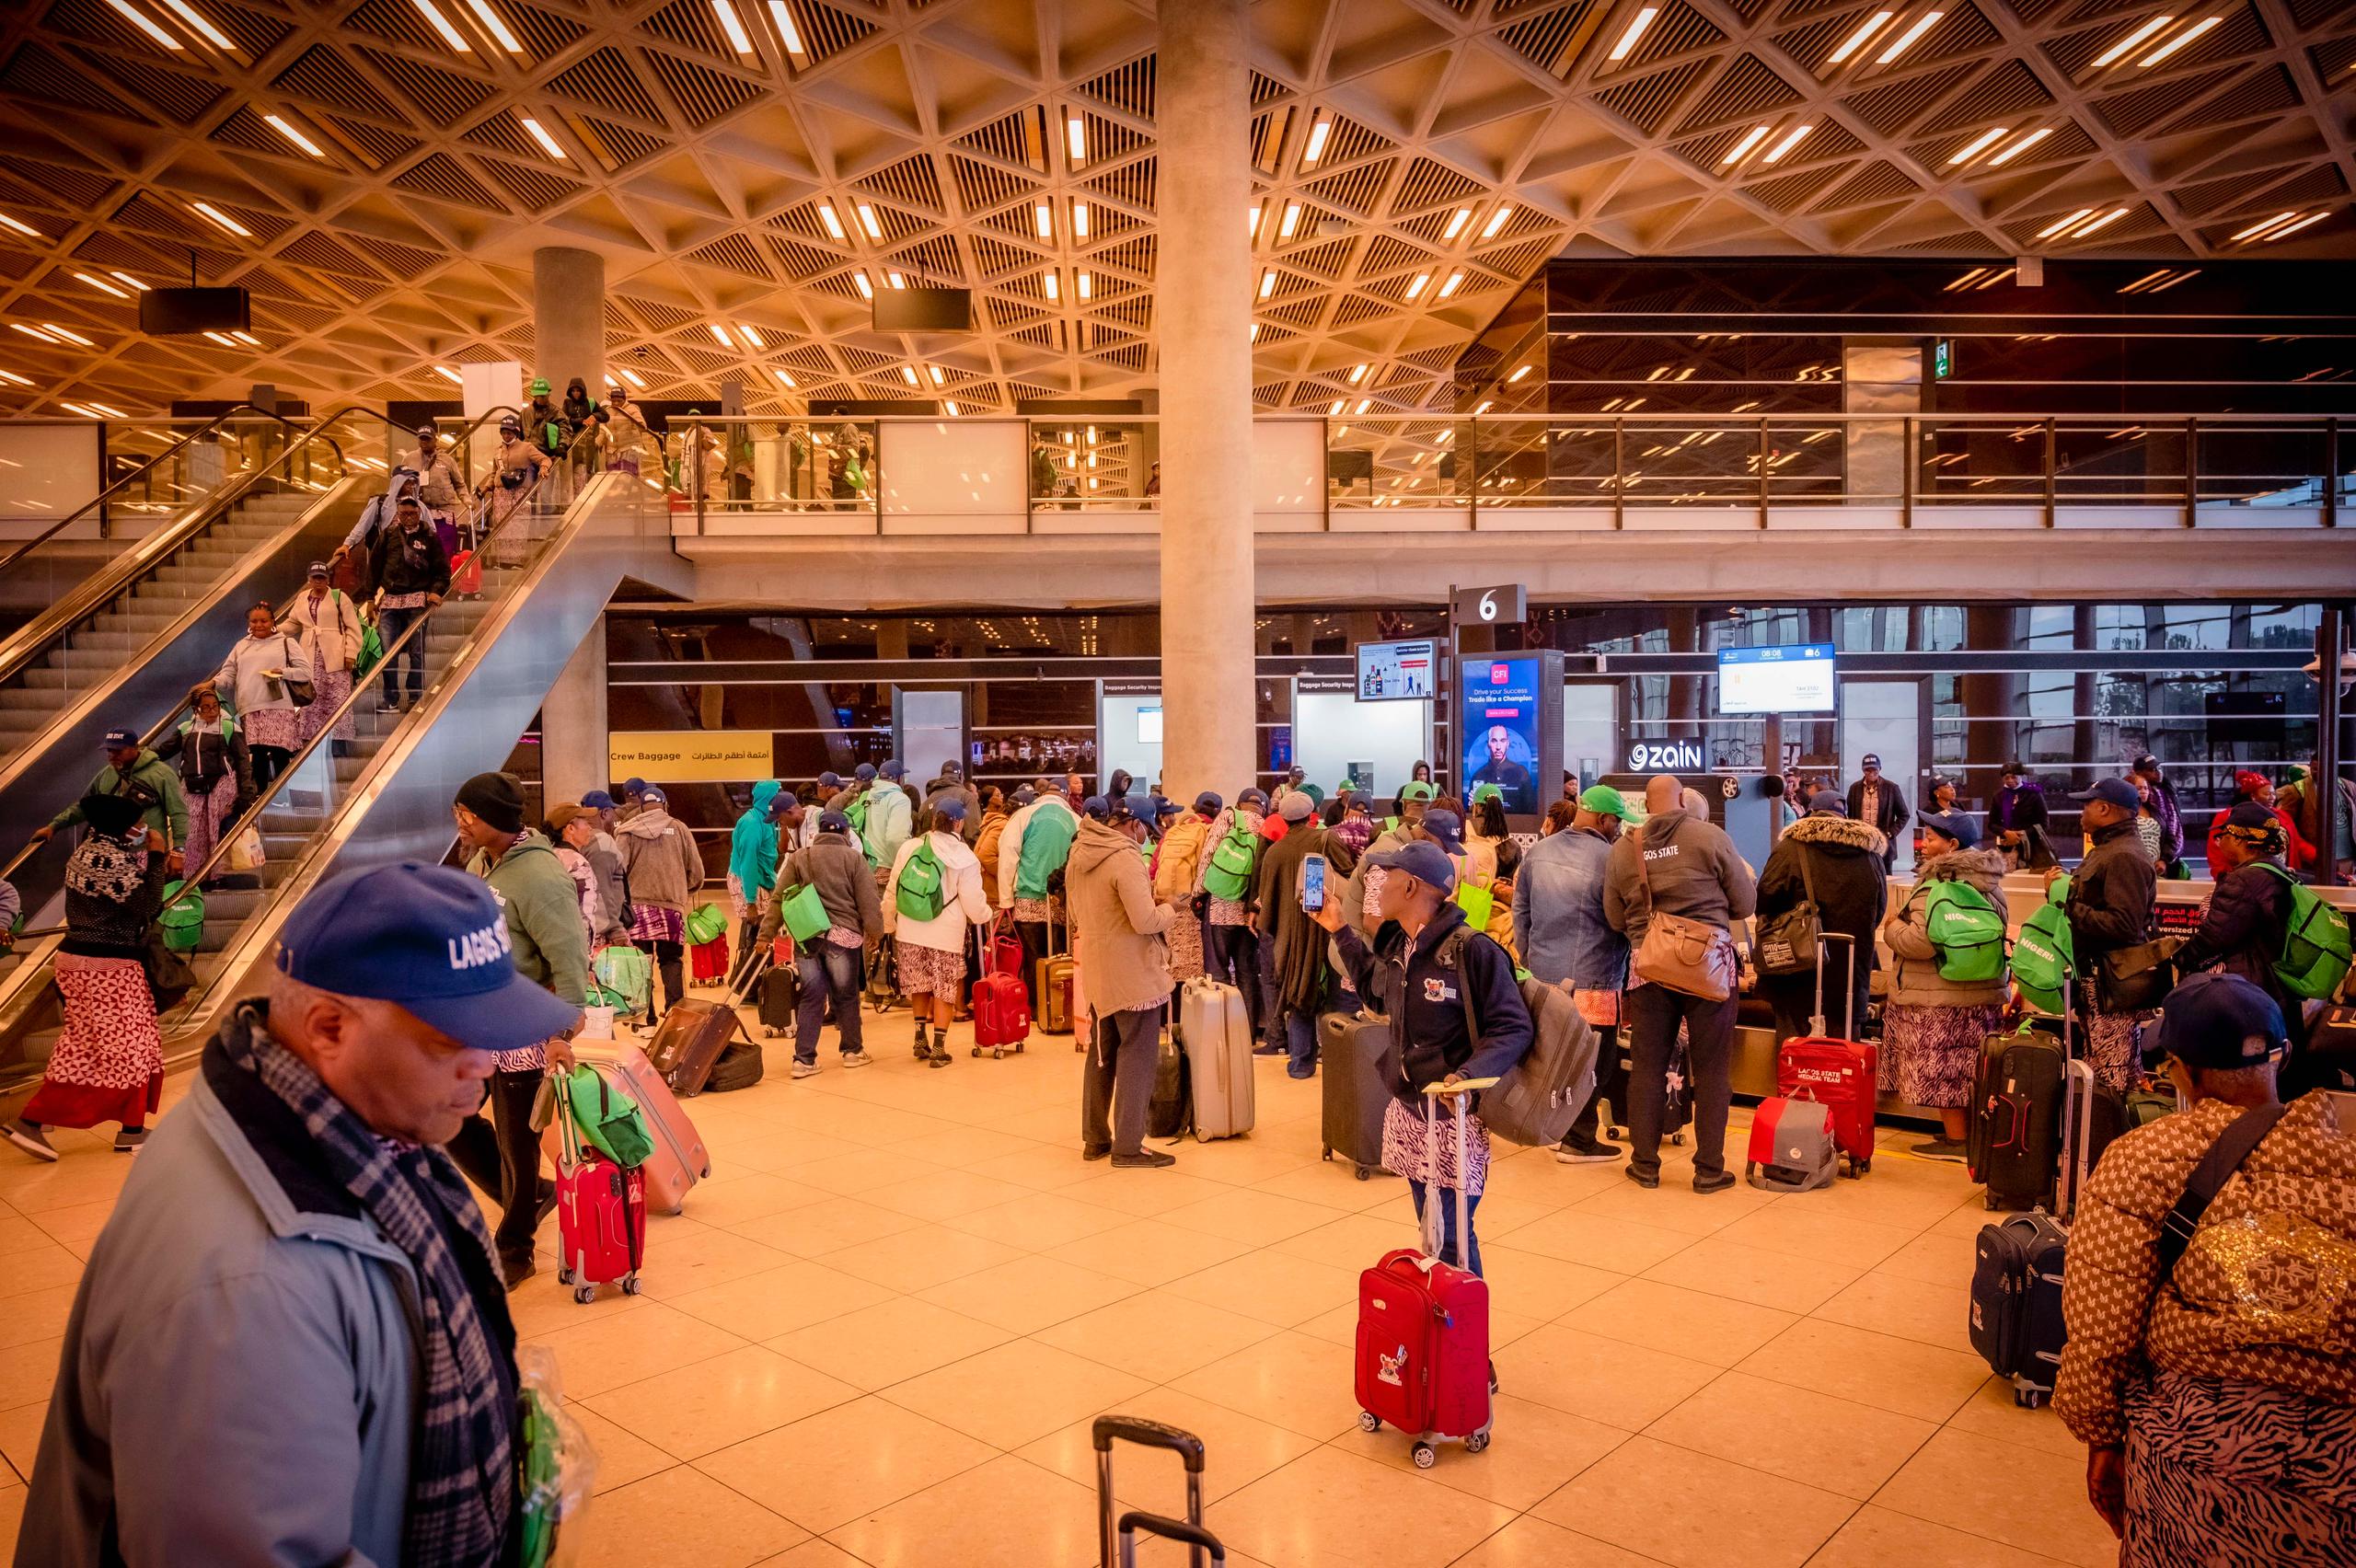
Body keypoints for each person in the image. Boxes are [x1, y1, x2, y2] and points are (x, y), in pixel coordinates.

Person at [15, 861, 576, 1567]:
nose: (485, 1065)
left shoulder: (331, 1122)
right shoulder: (245, 1287)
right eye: (448, 1041)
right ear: (329, 1028)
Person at [2053, 974, 2356, 1567]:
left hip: (2196, 1451)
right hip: (2339, 1466)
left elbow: (2102, 1322)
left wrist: (2102, 1438)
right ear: (2282, 1055)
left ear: (2184, 1071)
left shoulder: (2145, 1158)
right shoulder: (2345, 1163)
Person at [1313, 839, 1534, 1274]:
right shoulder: (1403, 945)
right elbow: (1375, 992)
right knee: (1431, 1230)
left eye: (1387, 875)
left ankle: (1463, 1331)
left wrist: (1467, 1074)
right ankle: (1440, 1324)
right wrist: (1337, 927)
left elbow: (1514, 1027)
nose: (1377, 883)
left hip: (1454, 1118)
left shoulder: (1472, 950)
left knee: (1453, 1238)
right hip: (1413, 1110)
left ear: (1412, 887)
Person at [447, 771, 584, 1286]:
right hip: (480, 1019)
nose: (460, 824)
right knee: (448, 1117)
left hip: (525, 1026)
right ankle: (529, 1198)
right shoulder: (485, 860)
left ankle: (516, 1248)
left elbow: (570, 962)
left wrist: (560, 1034)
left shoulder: (543, 879)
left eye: (468, 816)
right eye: (459, 814)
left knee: (515, 1143)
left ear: (497, 821)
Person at [1603, 775, 1758, 1193]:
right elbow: (1744, 904)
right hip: (1707, 967)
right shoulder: (1710, 837)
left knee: (1647, 1068)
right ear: (1682, 802)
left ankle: (1645, 1164)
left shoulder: (1624, 848)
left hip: (1648, 968)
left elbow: (1615, 919)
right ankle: (1709, 1169)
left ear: (1647, 804)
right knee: (1711, 1071)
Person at [2, 794, 167, 1161]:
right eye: (139, 823)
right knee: (122, 1050)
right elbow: (146, 906)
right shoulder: (106, 859)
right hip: (105, 968)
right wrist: (156, 857)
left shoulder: (89, 851)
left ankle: (132, 1129)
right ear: (123, 827)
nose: (144, 828)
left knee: (109, 1045)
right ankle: (33, 1120)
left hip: (87, 963)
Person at [1880, 810, 2008, 1159]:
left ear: (1952, 845)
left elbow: (1920, 943)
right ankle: (1969, 1134)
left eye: (1932, 838)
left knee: (1943, 1069)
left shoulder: (1935, 887)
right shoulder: (1989, 882)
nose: (1924, 844)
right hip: (1983, 992)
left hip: (1938, 994)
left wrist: (1892, 927)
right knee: (1969, 1069)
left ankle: (1956, 1141)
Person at [1516, 789, 1631, 1164]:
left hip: (1543, 977)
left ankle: (1553, 1127)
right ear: (1603, 820)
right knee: (1596, 1058)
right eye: (1617, 821)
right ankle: (1580, 1139)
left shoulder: (1539, 850)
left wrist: (1530, 957)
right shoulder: (1611, 859)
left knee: (1551, 1054)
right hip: (1595, 980)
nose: (1618, 829)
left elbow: (1521, 911)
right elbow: (1619, 920)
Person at [1067, 794, 1179, 1167]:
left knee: (1101, 1056)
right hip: (1133, 976)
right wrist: (1171, 908)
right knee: (1137, 1058)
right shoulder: (1125, 857)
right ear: (1133, 826)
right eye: (1146, 831)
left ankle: (1095, 1139)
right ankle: (1129, 1146)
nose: (1145, 838)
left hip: (1098, 972)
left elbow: (1076, 911)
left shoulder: (1080, 854)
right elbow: (1144, 922)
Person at [1755, 789, 1886, 1043]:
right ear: (1846, 817)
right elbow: (1877, 912)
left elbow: (1765, 902)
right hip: (1848, 974)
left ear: (1810, 814)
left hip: (1794, 973)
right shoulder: (1870, 856)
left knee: (1795, 1055)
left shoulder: (1790, 850)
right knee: (1842, 1060)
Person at [2063, 777, 2163, 1093]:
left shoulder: (2123, 856)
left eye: (2086, 805)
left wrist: (2066, 905)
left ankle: (2108, 1141)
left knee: (2109, 1078)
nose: (2081, 813)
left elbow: (2124, 925)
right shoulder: (2109, 850)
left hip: (2112, 985)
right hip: (2101, 982)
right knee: (2109, 1069)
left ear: (2104, 809)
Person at [771, 808, 884, 1078]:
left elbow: (778, 898)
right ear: (846, 832)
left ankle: (804, 1060)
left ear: (820, 831)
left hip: (808, 936)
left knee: (811, 997)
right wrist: (876, 933)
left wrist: (766, 936)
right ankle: (852, 1052)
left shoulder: (801, 857)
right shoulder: (854, 859)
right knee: (845, 996)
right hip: (843, 938)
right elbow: (868, 901)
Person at [883, 801, 988, 1067]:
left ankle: (920, 1038)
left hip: (910, 928)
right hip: (946, 932)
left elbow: (894, 888)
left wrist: (888, 922)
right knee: (944, 987)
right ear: (958, 823)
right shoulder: (964, 856)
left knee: (919, 982)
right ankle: (939, 1048)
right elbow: (973, 903)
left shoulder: (910, 847)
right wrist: (986, 915)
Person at [1256, 790, 1354, 1078]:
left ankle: (1300, 1064)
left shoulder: (1274, 852)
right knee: (1337, 999)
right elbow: (1349, 876)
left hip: (1289, 938)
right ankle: (1339, 1064)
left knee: (1298, 996)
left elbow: (1268, 907)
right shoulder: (1326, 839)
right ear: (1312, 813)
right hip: (1329, 931)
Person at [2174, 801, 2301, 1020]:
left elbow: (2215, 936)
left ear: (2238, 839)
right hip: (2274, 981)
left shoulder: (2244, 879)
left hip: (2248, 982)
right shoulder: (2274, 868)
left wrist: (2181, 958)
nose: (2219, 842)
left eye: (2222, 836)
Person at [31, 726, 189, 878]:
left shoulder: (161, 774)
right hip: (109, 854)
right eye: (109, 750)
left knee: (146, 903)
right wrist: (54, 826)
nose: (112, 755)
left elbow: (178, 813)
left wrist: (178, 852)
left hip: (147, 852)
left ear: (135, 747)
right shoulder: (107, 774)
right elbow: (85, 806)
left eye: (118, 750)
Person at [616, 784, 705, 1027]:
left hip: (637, 909)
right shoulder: (680, 829)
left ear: (642, 807)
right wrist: (680, 893)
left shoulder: (627, 832)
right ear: (665, 805)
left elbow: (618, 870)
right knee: (671, 961)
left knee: (641, 963)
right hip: (670, 909)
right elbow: (696, 871)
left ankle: (645, 1018)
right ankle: (676, 1016)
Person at [208, 601, 312, 789]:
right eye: (254, 621)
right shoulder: (241, 646)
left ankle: (280, 796)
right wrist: (213, 683)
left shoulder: (286, 642)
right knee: (258, 754)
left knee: (281, 754)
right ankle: (261, 798)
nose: (258, 625)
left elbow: (306, 672)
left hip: (278, 707)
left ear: (273, 620)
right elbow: (229, 674)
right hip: (250, 708)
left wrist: (283, 672)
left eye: (263, 621)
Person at [154, 688, 252, 883]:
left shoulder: (229, 727)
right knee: (190, 833)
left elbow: (243, 761)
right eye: (206, 707)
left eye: (215, 707)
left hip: (222, 783)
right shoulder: (185, 729)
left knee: (213, 831)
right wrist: (138, 756)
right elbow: (163, 751)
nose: (211, 711)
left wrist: (246, 793)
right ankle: (192, 878)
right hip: (192, 784)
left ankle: (215, 875)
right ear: (196, 709)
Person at [998, 778, 1080, 1008]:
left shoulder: (1023, 816)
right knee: (1061, 957)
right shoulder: (1076, 819)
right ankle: (1061, 1007)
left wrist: (1006, 899)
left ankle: (1036, 1009)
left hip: (1028, 899)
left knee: (1034, 958)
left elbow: (1008, 856)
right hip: (1062, 901)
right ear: (1065, 797)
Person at [1195, 788, 1268, 1038]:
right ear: (1263, 808)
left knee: (1218, 971)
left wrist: (1198, 893)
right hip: (1249, 915)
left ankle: (1221, 1032)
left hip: (1219, 908)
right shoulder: (1266, 827)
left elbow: (1207, 856)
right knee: (1248, 974)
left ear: (1239, 804)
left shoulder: (1228, 818)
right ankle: (1245, 1035)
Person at [369, 492, 450, 713]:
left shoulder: (430, 537)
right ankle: (391, 699)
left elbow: (442, 571)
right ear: (398, 514)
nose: (408, 517)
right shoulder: (388, 535)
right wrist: (370, 597)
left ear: (419, 513)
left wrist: (436, 591)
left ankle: (416, 696)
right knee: (387, 651)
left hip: (417, 600)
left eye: (412, 513)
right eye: (404, 513)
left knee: (417, 651)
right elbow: (374, 568)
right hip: (390, 601)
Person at [279, 561, 362, 750]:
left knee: (337, 698)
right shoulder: (302, 598)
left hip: (335, 655)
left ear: (328, 579)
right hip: (309, 654)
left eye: (321, 578)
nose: (318, 581)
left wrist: (350, 653)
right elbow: (293, 623)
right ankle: (311, 743)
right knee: (312, 698)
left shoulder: (339, 597)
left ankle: (339, 744)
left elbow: (353, 628)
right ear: (308, 579)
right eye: (314, 577)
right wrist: (274, 630)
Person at [1154, 790, 1215, 993]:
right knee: (1196, 963)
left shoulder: (1174, 833)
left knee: (1173, 960)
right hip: (1195, 906)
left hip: (1169, 904)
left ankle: (1172, 1016)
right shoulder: (1210, 831)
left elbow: (1154, 868)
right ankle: (1194, 1013)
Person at [2207, 769, 2313, 874]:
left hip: (2282, 874)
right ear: (2253, 796)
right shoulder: (2229, 817)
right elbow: (2216, 852)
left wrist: (2320, 858)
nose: (2272, 798)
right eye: (2267, 794)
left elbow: (2298, 843)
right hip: (2243, 876)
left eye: (2273, 794)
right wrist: (2223, 876)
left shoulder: (2283, 816)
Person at [549, 801, 624, 948]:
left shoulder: (548, 856)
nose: (590, 828)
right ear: (570, 829)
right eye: (585, 823)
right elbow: (585, 916)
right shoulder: (578, 865)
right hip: (573, 947)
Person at [728, 780, 784, 974]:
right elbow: (748, 863)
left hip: (762, 878)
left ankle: (756, 979)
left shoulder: (767, 819)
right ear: (768, 798)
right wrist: (750, 901)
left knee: (762, 928)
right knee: (757, 930)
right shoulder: (752, 823)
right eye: (778, 793)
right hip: (748, 880)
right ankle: (748, 981)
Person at [479, 415, 546, 566]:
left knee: (518, 527)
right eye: (504, 432)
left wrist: (544, 468)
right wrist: (486, 488)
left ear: (516, 432)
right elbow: (493, 472)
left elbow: (544, 459)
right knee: (501, 527)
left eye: (509, 432)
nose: (506, 435)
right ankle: (502, 561)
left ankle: (516, 561)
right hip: (500, 495)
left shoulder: (527, 447)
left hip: (519, 494)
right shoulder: (498, 451)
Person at [577, 789, 630, 938]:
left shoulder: (579, 840)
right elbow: (602, 890)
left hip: (584, 924)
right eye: (613, 812)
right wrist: (614, 929)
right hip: (600, 931)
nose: (614, 818)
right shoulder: (602, 842)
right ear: (605, 813)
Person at [410, 422, 468, 554]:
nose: (424, 442)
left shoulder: (447, 460)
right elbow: (400, 481)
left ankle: (445, 573)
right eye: (421, 438)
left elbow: (459, 484)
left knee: (445, 548)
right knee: (420, 548)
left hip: (444, 510)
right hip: (420, 511)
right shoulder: (410, 459)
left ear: (435, 440)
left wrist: (467, 500)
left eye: (428, 439)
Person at [1844, 753, 1909, 869]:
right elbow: (1849, 814)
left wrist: (1891, 832)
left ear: (1880, 769)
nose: (1871, 773)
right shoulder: (1854, 788)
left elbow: (1904, 815)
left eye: (1874, 769)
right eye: (1867, 770)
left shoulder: (1891, 788)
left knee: (1885, 878)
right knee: (1862, 876)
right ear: (1863, 771)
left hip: (1883, 842)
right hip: (1861, 842)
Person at [2128, 754, 2186, 877]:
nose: (2157, 772)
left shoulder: (2167, 791)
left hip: (2167, 857)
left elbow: (2173, 828)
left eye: (2158, 768)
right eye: (2151, 770)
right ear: (2138, 772)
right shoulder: (2133, 806)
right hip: (2140, 863)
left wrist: (2168, 857)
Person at [1990, 759, 2052, 870]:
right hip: (2006, 848)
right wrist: (2006, 832)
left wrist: (2021, 835)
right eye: (2006, 778)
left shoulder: (2033, 794)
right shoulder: (1998, 797)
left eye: (2014, 777)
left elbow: (2044, 823)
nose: (2010, 780)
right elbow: (1992, 824)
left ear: (2020, 776)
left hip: (2031, 848)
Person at [1467, 724, 1533, 813]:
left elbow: (1530, 810)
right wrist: (1473, 808)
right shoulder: (1478, 776)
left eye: (1502, 741)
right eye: (1494, 741)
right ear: (1488, 744)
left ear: (1507, 744)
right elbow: (1472, 814)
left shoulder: (1521, 773)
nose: (1498, 747)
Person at [1464, 785, 1510, 884]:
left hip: (1466, 897)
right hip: (1498, 898)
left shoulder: (1462, 832)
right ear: (1501, 809)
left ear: (1477, 808)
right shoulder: (1511, 846)